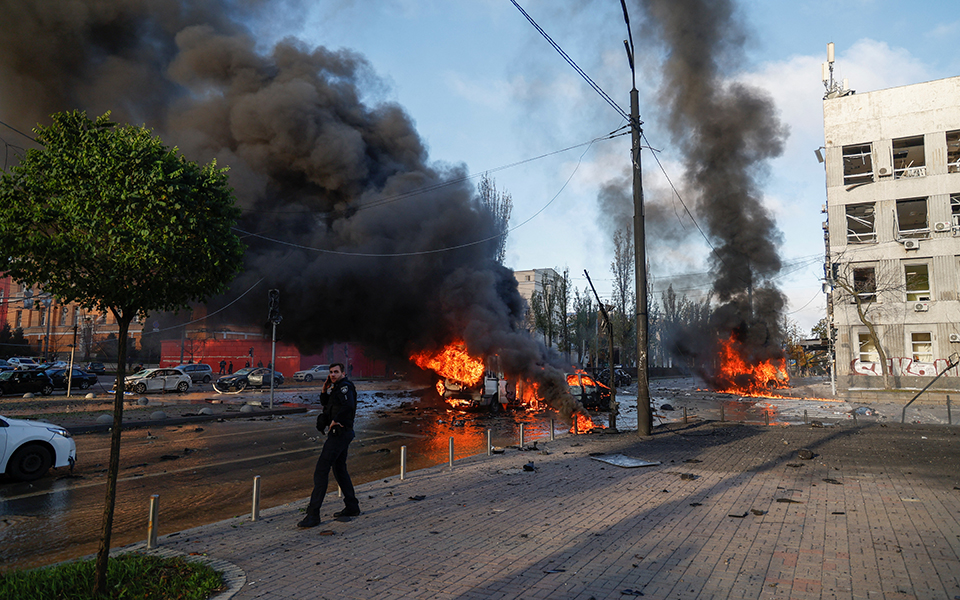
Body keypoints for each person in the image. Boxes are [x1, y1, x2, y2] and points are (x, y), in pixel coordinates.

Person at [298, 363, 360, 527]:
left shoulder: (345, 387)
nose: (333, 374)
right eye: (331, 372)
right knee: (339, 469)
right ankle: (352, 506)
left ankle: (313, 515)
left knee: (321, 471)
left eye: (336, 372)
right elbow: (327, 405)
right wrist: (324, 389)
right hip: (341, 433)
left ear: (343, 373)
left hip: (339, 433)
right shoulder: (336, 388)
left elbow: (348, 405)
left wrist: (336, 420)